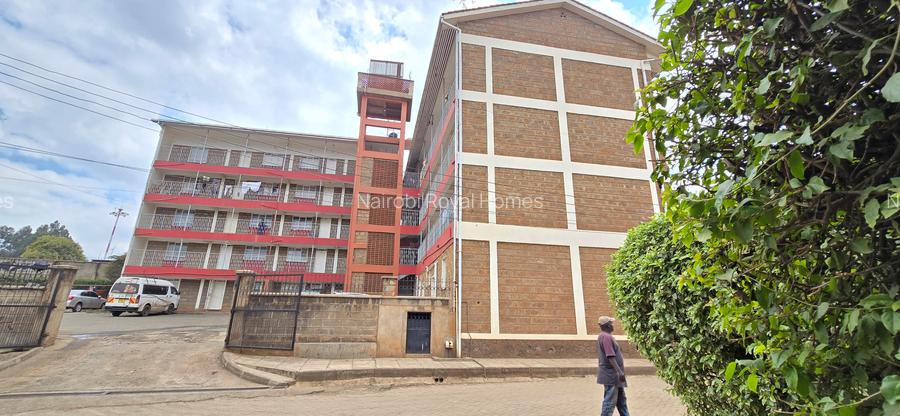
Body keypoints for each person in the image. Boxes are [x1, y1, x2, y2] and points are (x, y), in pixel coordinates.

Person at [598, 316, 628, 416]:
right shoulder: (606, 337)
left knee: (621, 401)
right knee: (609, 402)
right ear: (607, 325)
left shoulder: (605, 336)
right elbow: (610, 356)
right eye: (611, 323)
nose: (612, 325)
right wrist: (619, 372)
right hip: (612, 376)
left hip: (614, 376)